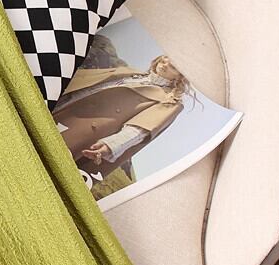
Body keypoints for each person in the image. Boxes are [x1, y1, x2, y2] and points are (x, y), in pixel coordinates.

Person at [53, 55, 191, 177]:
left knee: (51, 156)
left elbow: (140, 129)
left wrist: (110, 145)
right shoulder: (132, 73)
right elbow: (89, 84)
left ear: (180, 76)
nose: (165, 64)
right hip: (64, 106)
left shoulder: (170, 101)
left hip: (84, 129)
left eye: (173, 66)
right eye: (166, 59)